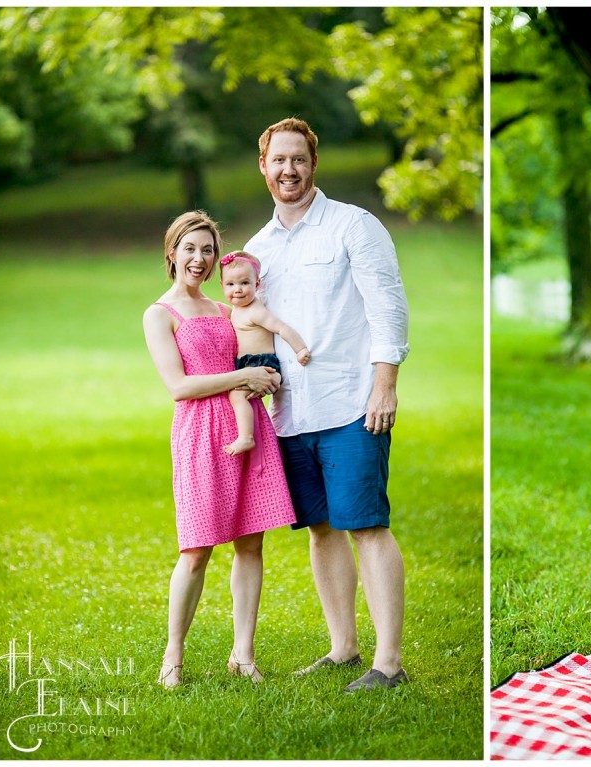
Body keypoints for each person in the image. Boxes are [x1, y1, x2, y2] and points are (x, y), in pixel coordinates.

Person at [244, 117, 411, 692]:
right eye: (278, 160)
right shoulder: (257, 250)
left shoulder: (353, 226)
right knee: (319, 529)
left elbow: (387, 307)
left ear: (313, 165)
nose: (288, 169)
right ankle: (343, 648)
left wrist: (384, 384)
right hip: (289, 414)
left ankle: (388, 665)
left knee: (367, 525)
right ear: (263, 167)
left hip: (351, 404)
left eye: (299, 159)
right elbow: (254, 329)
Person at [143, 211, 297, 688]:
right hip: (199, 435)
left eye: (207, 250)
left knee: (251, 543)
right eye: (190, 249)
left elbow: (257, 351)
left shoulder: (225, 307)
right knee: (196, 548)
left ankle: (243, 654)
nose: (199, 258)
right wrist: (241, 378)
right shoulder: (159, 314)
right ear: (172, 254)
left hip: (247, 427)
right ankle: (173, 655)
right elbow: (179, 386)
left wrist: (267, 376)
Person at [219, 250, 312, 456]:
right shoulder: (235, 310)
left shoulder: (255, 310)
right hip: (248, 365)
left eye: (245, 283)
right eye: (231, 284)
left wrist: (300, 349)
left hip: (262, 364)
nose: (238, 290)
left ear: (257, 285)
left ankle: (246, 437)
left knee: (236, 395)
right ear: (222, 286)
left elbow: (281, 328)